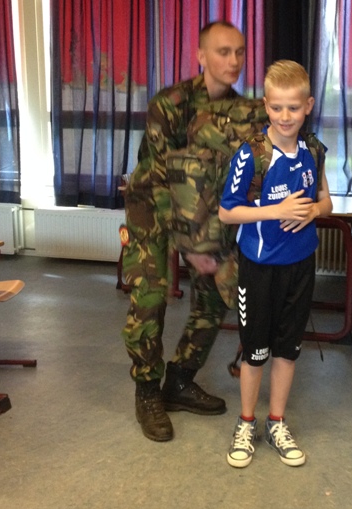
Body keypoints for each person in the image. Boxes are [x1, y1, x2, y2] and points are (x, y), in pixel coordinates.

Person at [122, 22, 246, 442]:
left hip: (206, 211)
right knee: (150, 297)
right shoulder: (170, 103)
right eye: (223, 51)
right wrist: (187, 245)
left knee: (217, 293)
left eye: (239, 52)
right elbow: (160, 178)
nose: (233, 61)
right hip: (152, 206)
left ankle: (179, 380)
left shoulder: (240, 110)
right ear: (201, 56)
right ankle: (147, 391)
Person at [218, 60, 333, 468]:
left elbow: (326, 200)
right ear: (266, 105)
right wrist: (276, 210)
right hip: (259, 268)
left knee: (288, 350)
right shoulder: (251, 155)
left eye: (294, 108)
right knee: (256, 352)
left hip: (300, 266)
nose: (286, 116)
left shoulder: (314, 150)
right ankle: (246, 422)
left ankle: (277, 422)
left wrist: (312, 211)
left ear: (308, 106)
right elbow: (227, 213)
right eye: (277, 107)